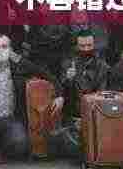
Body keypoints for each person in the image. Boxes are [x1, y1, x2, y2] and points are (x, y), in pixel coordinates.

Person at [0, 34, 63, 164]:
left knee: (20, 142)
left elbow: (46, 75)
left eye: (4, 46)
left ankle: (1, 152)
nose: (1, 50)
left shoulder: (19, 63)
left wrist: (59, 95)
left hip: (10, 118)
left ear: (10, 48)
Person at [46, 30, 109, 159]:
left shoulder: (102, 65)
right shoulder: (68, 62)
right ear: (76, 46)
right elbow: (60, 88)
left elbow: (102, 94)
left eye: (89, 45)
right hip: (72, 114)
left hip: (93, 113)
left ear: (94, 44)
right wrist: (68, 80)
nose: (86, 49)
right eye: (82, 46)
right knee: (57, 140)